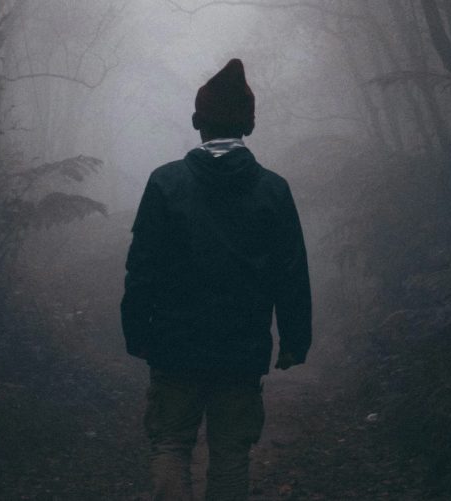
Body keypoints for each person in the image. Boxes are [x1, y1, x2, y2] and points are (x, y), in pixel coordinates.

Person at [121, 58, 312, 501]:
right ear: (248, 124)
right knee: (230, 454)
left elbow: (141, 267)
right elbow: (291, 272)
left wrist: (137, 333)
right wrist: (294, 341)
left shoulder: (165, 183)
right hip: (241, 349)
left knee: (170, 444)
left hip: (173, 345)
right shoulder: (273, 190)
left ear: (197, 122)